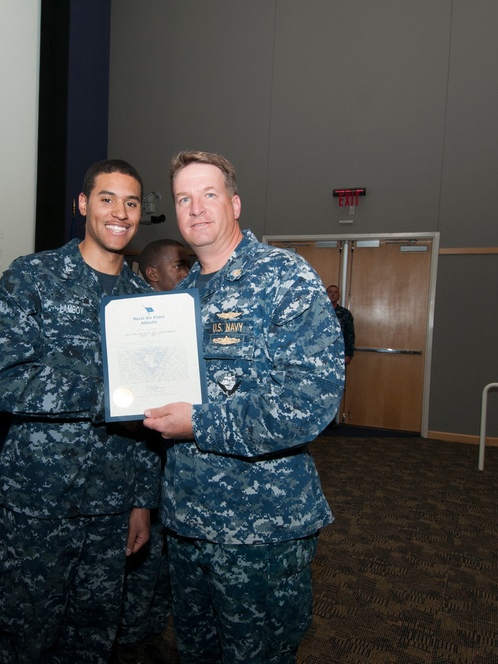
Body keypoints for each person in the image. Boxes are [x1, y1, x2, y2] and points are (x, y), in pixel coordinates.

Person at [143, 150, 345, 663]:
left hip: (260, 527)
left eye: (209, 194)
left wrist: (198, 421)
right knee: (197, 652)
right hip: (188, 521)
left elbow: (309, 400)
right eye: (184, 198)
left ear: (234, 203)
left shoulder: (283, 277)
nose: (196, 208)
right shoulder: (178, 299)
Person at [0, 159, 161, 663]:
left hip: (112, 508)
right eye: (107, 198)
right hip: (38, 503)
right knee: (29, 638)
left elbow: (150, 421)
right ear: (83, 205)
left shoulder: (145, 300)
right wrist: (109, 395)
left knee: (93, 643)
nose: (120, 213)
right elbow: (3, 381)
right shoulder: (32, 278)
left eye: (131, 203)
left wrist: (142, 500)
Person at [110, 239, 191, 664]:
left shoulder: (188, 317)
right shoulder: (133, 321)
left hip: (181, 473)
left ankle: (153, 633)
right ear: (153, 275)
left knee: (164, 564)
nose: (187, 274)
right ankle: (129, 642)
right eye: (179, 266)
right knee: (139, 560)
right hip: (142, 463)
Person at [325, 284, 355, 428]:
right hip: (321, 357)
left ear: (339, 295)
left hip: (338, 357)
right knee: (320, 387)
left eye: (335, 292)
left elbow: (350, 335)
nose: (332, 294)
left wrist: (348, 354)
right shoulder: (319, 311)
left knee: (336, 387)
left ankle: (331, 420)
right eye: (330, 292)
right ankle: (319, 421)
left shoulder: (345, 314)